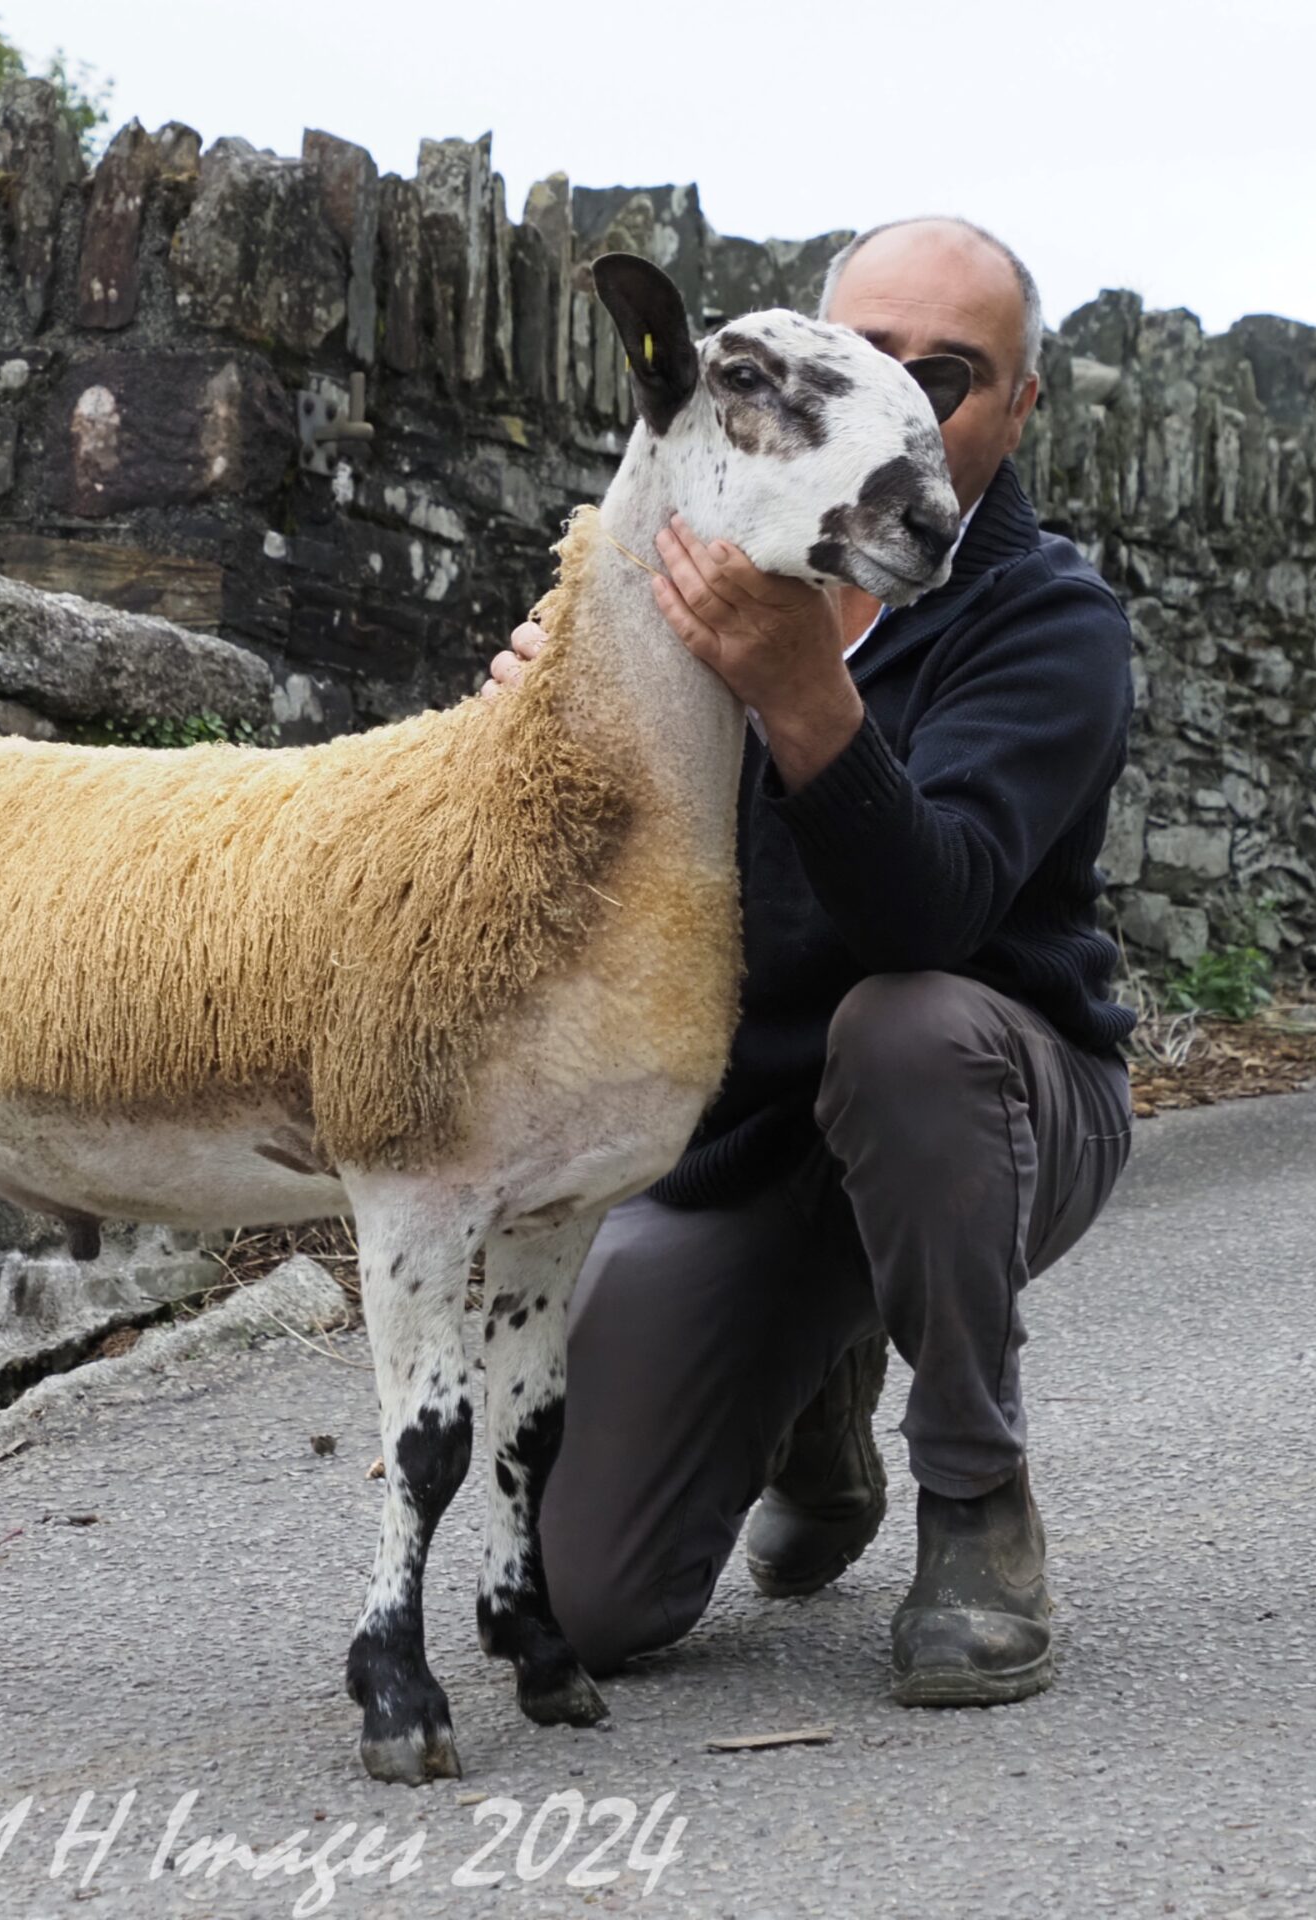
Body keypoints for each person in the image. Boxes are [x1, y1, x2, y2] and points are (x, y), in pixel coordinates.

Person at [485, 216, 1136, 1705]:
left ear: (1020, 405)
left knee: (904, 1029)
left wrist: (799, 695)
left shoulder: (1050, 620)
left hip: (1000, 1107)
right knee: (584, 1605)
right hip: (753, 1145)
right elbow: (570, 900)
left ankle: (977, 1507)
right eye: (866, 362)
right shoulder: (684, 578)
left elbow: (933, 916)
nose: (902, 401)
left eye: (952, 375)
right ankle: (815, 1388)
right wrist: (540, 738)